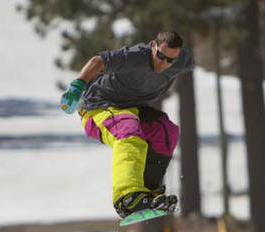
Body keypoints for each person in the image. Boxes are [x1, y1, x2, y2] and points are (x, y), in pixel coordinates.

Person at [60, 30, 195, 218]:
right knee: (128, 130)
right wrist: (77, 86)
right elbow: (97, 61)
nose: (163, 63)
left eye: (170, 60)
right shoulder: (136, 57)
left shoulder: (182, 60)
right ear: (154, 47)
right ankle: (126, 198)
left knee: (166, 131)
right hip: (99, 108)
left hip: (133, 109)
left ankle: (146, 191)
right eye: (161, 56)